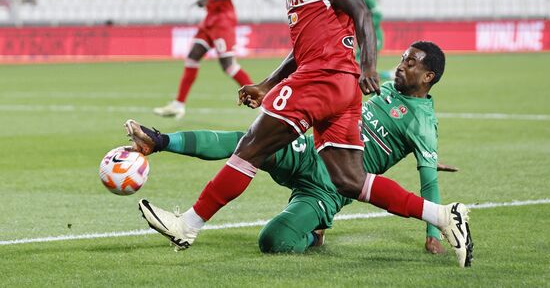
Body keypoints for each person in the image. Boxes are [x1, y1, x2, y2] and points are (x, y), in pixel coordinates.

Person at [132, 0, 472, 267]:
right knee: (349, 179)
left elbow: (361, 10)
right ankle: (443, 216)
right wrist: (266, 83)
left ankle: (188, 225)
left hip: (324, 79)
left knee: (251, 145)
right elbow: (302, 49)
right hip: (334, 83)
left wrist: (370, 66)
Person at [127, 42, 468, 261]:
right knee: (247, 142)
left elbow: (428, 183)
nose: (401, 65)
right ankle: (160, 141)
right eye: (404, 58)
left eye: (411, 63)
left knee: (274, 241)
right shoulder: (388, 84)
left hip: (330, 186)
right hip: (310, 148)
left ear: (428, 76)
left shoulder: (424, 125)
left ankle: (313, 235)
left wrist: (431, 235)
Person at [154, 0, 253, 119]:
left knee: (228, 66)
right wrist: (207, 0)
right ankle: (178, 105)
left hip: (223, 20)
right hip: (210, 19)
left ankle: (260, 96)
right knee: (192, 56)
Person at [348, 0, 393, 81]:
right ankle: (388, 76)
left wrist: (364, 29)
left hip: (372, 35)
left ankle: (385, 79)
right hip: (357, 37)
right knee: (357, 66)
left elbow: (377, 14)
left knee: (360, 66)